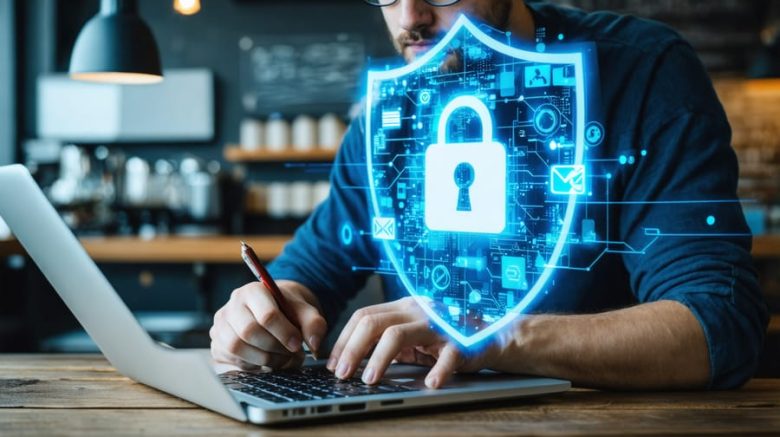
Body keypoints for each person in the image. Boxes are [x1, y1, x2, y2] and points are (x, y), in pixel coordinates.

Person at [209, 0, 768, 391]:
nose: (410, 17)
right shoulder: (388, 118)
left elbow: (716, 325)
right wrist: (261, 316)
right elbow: (309, 273)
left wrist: (492, 334)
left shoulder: (646, 75)